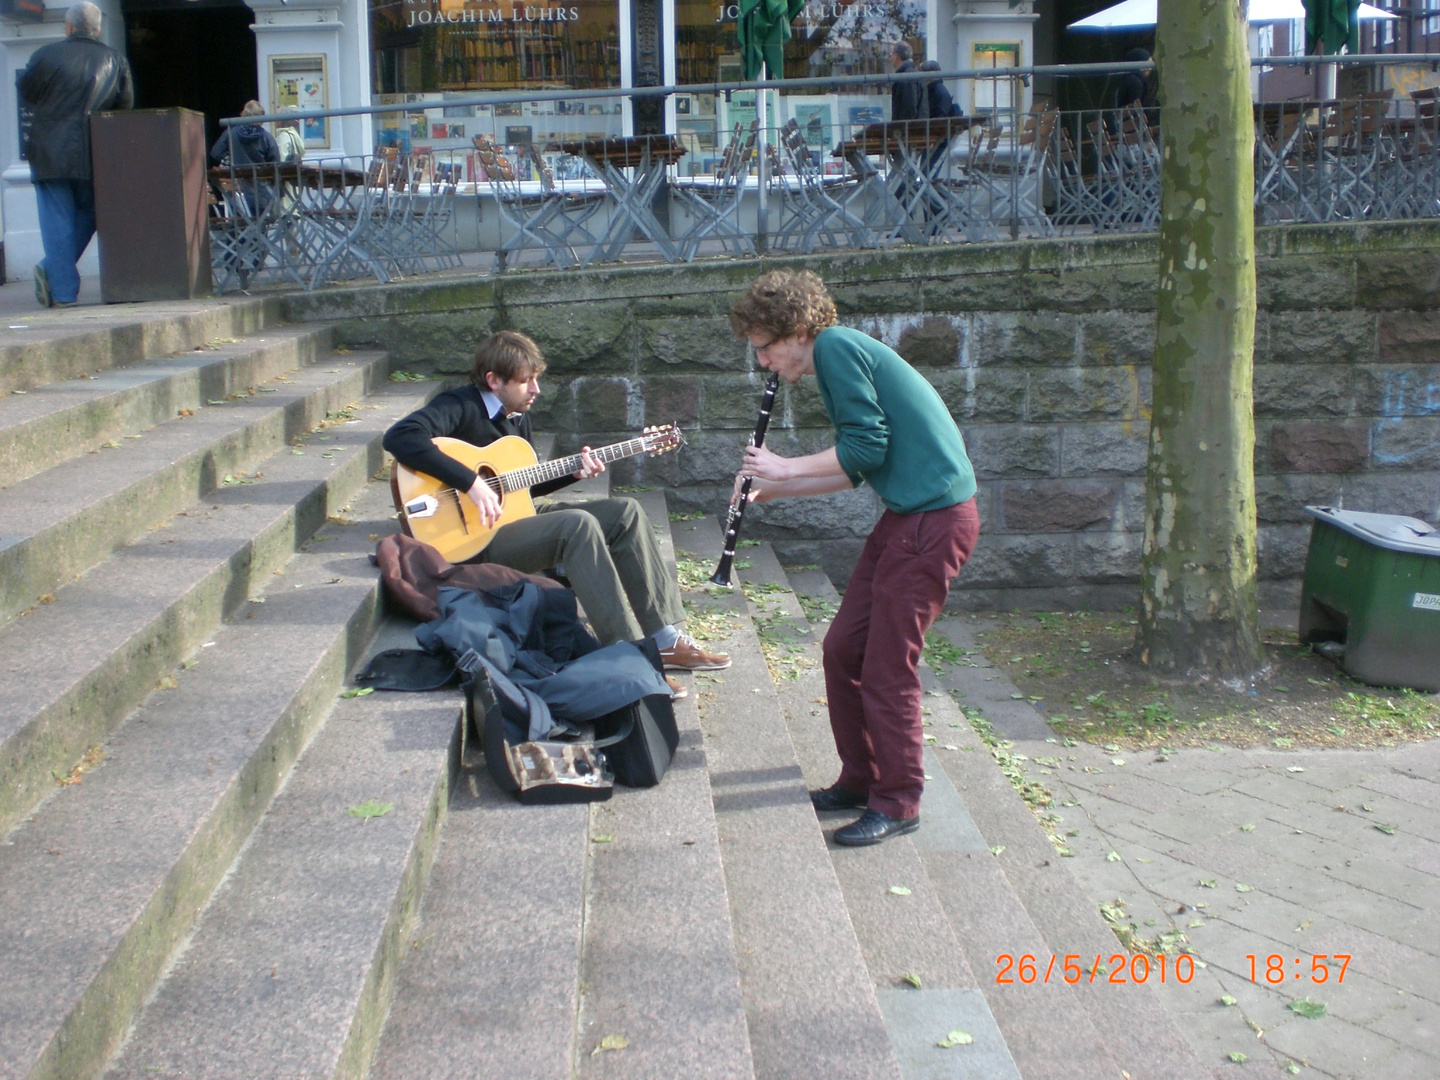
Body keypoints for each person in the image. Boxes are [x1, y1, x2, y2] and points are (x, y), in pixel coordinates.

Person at [728, 270, 979, 847]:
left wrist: (784, 467)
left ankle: (899, 800)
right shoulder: (839, 355)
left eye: (765, 349)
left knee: (889, 668)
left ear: (795, 330)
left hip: (932, 523)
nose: (764, 362)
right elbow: (858, 468)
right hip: (910, 518)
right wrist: (773, 489)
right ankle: (861, 779)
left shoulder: (836, 347)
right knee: (843, 648)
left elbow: (866, 447)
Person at [383, 331, 730, 699]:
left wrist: (573, 473)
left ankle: (664, 638)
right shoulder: (459, 405)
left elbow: (522, 490)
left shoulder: (517, 416)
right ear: (493, 380)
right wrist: (470, 482)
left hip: (512, 519)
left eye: (537, 378)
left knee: (625, 512)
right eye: (525, 380)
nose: (536, 389)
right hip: (472, 538)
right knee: (576, 526)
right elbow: (401, 437)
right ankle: (626, 656)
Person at [18, 2, 133, 309]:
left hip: (49, 150)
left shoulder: (44, 56)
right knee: (93, 213)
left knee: (57, 219)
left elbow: (27, 92)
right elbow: (125, 106)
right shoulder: (115, 59)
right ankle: (53, 271)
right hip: (94, 149)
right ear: (98, 29)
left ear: (68, 27)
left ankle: (63, 291)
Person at [889, 42, 928, 124]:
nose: (891, 57)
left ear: (896, 56)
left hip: (910, 132)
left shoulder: (906, 77)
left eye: (891, 54)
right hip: (916, 130)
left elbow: (909, 108)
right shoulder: (912, 73)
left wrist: (903, 130)